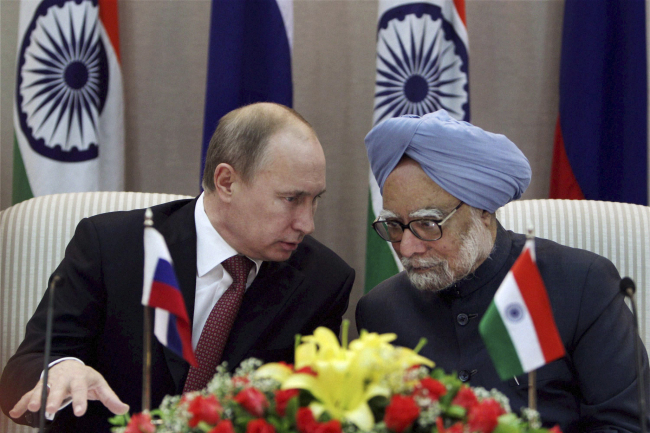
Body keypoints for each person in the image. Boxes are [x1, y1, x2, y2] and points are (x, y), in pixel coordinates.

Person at [0, 103, 355, 432]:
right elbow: (22, 371)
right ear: (226, 182)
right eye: (291, 199)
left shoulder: (323, 281)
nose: (307, 224)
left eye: (315, 200)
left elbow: (307, 413)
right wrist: (59, 371)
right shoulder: (111, 245)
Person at [356, 110, 650, 433]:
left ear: (482, 210)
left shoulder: (582, 286)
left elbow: (626, 425)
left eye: (428, 224)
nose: (407, 248)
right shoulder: (379, 312)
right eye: (395, 226)